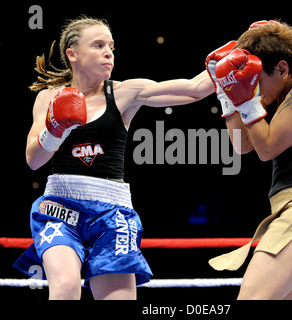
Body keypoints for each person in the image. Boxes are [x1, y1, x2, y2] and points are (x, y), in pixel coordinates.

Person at [14, 16, 214, 300]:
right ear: (72, 54)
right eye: (97, 45)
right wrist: (55, 128)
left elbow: (195, 90)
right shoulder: (48, 98)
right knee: (66, 287)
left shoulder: (125, 92)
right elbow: (34, 160)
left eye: (111, 47)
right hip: (59, 208)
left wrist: (237, 54)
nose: (108, 52)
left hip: (112, 211)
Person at [206, 20, 292, 300]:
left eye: (256, 81)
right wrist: (227, 95)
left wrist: (246, 101)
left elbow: (266, 149)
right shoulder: (275, 100)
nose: (252, 90)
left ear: (282, 68)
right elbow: (242, 146)